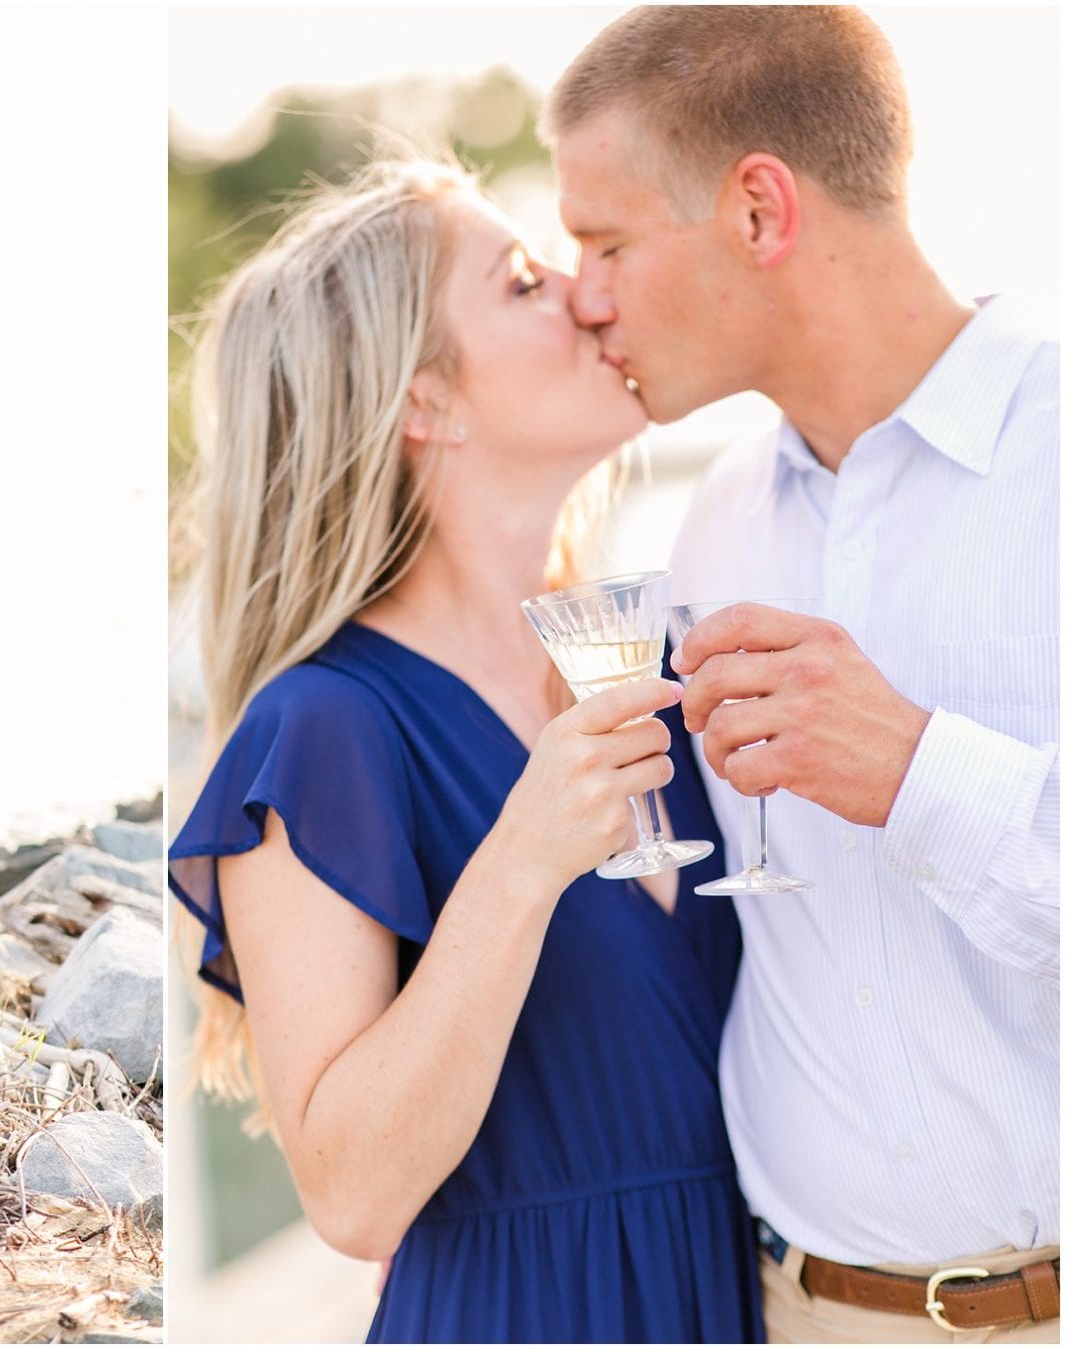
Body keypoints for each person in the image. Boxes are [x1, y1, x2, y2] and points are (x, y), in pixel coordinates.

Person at [169, 159, 762, 1342]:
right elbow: (350, 1192)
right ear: (423, 400)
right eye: (527, 282)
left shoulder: (664, 659)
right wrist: (520, 860)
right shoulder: (325, 725)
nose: (590, 299)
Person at [544, 7, 1058, 1341]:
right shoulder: (714, 526)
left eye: (604, 244)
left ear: (760, 211)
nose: (581, 294)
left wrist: (921, 770)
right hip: (798, 1309)